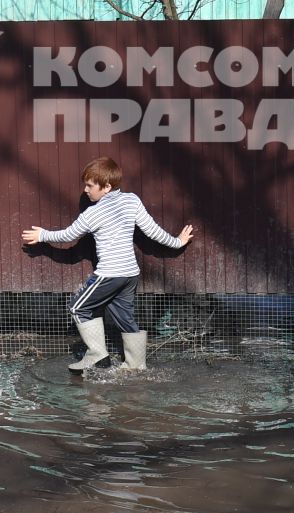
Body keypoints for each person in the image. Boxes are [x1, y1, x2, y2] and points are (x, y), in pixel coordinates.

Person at [21, 156, 193, 372]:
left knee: (77, 306)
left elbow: (68, 235)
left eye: (90, 185)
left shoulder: (94, 212)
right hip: (130, 275)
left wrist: (42, 235)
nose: (85, 190)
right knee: (125, 318)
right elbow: (152, 231)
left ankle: (97, 355)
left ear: (107, 186)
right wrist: (178, 242)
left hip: (109, 274)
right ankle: (136, 366)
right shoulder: (132, 200)